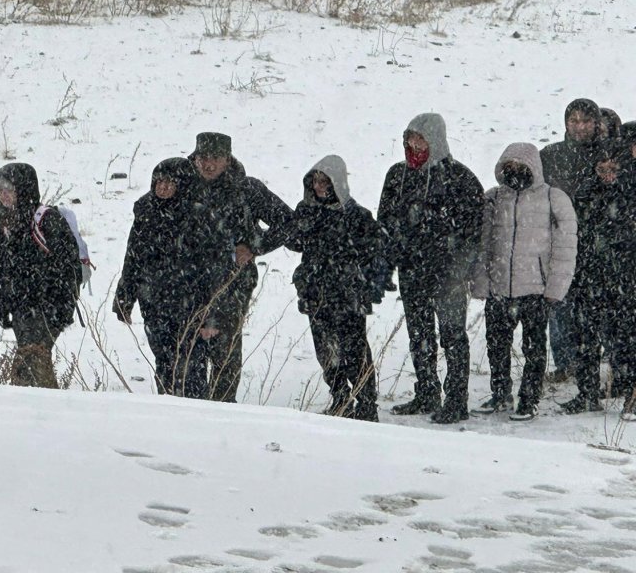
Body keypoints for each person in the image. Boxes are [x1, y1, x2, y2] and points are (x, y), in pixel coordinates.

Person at [378, 113, 484, 421]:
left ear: (435, 139)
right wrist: (391, 257)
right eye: (410, 137)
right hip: (412, 271)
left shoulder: (460, 178)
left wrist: (460, 267)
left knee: (452, 336)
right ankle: (426, 393)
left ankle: (456, 400)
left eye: (420, 138)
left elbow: (473, 230)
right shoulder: (397, 176)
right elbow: (385, 221)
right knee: (420, 335)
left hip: (448, 274)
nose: (414, 144)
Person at [470, 143, 576, 421]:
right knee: (496, 345)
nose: (515, 173)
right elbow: (482, 246)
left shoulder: (554, 198)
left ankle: (529, 399)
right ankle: (500, 393)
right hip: (499, 289)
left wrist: (555, 288)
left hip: (535, 291)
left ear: (534, 168)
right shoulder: (493, 199)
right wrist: (482, 282)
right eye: (509, 168)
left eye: (521, 168)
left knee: (533, 348)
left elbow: (566, 248)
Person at [114, 158, 234, 399]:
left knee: (192, 367)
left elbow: (218, 269)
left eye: (170, 183)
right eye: (159, 182)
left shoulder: (202, 215)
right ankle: (169, 410)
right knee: (165, 364)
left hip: (193, 306)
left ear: (183, 184)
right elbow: (133, 257)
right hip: (155, 303)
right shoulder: (147, 212)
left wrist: (213, 316)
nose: (163, 188)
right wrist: (124, 297)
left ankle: (193, 415)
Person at [187, 132, 294, 403]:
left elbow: (289, 223)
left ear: (227, 159)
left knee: (225, 345)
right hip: (189, 278)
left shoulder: (247, 189)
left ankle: (224, 405)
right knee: (191, 345)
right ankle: (192, 406)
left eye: (215, 158)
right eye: (203, 158)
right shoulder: (184, 184)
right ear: (195, 157)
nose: (208, 165)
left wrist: (254, 246)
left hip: (234, 279)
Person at [283, 156, 388, 422]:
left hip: (348, 296)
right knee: (326, 353)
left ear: (337, 182)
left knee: (355, 352)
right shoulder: (307, 211)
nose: (319, 187)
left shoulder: (357, 215)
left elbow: (377, 252)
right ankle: (340, 398)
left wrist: (371, 288)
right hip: (316, 293)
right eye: (315, 181)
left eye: (324, 181)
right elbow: (294, 241)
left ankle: (366, 404)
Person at [0, 163, 80, 388]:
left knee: (32, 358)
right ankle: (38, 405)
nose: (3, 195)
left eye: (8, 189)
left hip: (47, 306)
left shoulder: (46, 220)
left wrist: (62, 307)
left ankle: (41, 406)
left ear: (23, 190)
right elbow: (2, 268)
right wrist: (0, 301)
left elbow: (69, 268)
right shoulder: (6, 223)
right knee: (31, 360)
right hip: (22, 307)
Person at [561, 149, 635, 415]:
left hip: (623, 278)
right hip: (588, 276)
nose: (607, 175)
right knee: (585, 338)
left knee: (625, 337)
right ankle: (587, 392)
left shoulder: (629, 194)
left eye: (613, 169)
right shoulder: (583, 194)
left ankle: (629, 390)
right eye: (602, 169)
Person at [540, 99, 606, 383]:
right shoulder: (551, 155)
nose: (579, 127)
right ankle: (564, 363)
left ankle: (595, 364)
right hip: (560, 242)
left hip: (599, 242)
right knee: (560, 303)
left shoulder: (605, 153)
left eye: (586, 121)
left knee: (596, 306)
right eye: (574, 120)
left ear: (596, 123)